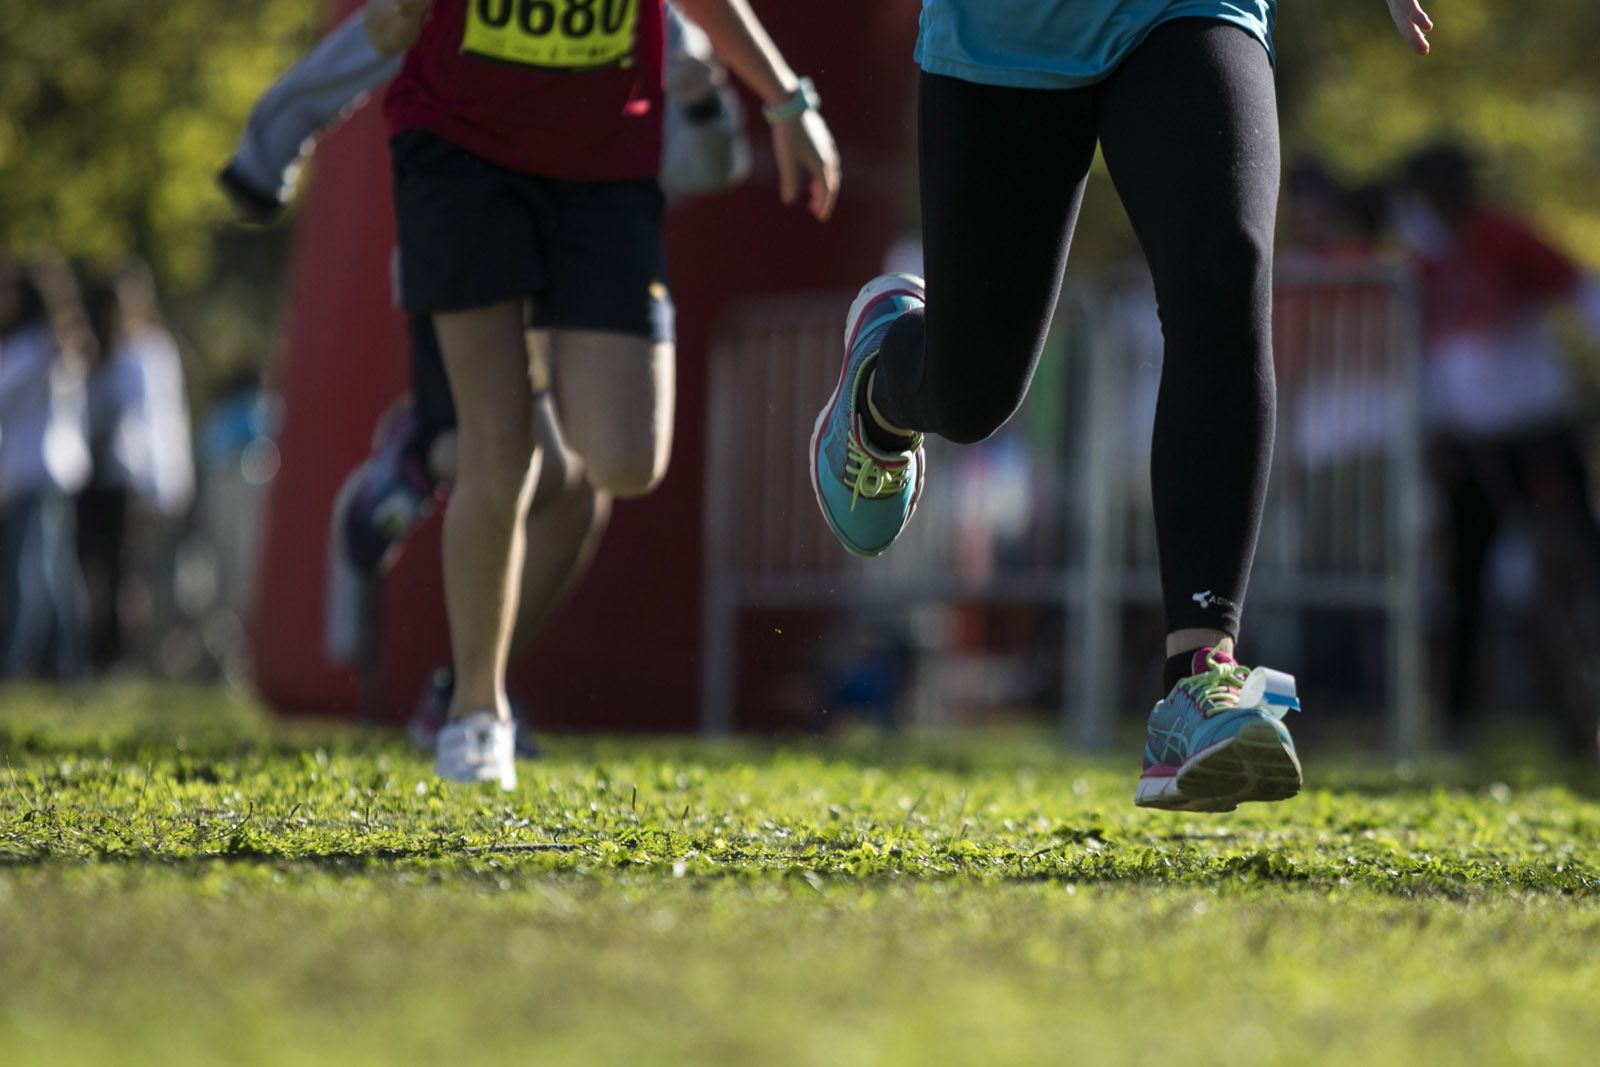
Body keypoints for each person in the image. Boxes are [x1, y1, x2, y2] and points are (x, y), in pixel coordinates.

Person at [807, 1, 1433, 811]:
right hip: (1006, 34)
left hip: (1185, 10)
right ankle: (887, 382)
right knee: (972, 394)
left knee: (1225, 266)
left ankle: (1198, 682)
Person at [220, 2, 755, 752]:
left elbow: (714, 166)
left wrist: (707, 98)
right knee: (500, 451)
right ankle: (426, 450)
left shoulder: (660, 28)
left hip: (578, 235)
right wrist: (266, 147)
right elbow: (373, 41)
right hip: (469, 218)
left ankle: (463, 687)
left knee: (578, 495)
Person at [360, 0, 837, 788]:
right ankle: (476, 715)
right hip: (461, 151)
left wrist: (788, 101)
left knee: (623, 458)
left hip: (602, 167)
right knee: (502, 448)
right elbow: (381, 31)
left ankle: (441, 441)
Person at [1395, 142, 1600, 743]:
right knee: (1465, 580)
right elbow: (1421, 359)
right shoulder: (1422, 261)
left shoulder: (1504, 238)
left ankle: (1578, 715)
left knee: (1574, 572)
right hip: (1465, 447)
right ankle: (1458, 719)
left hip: (1537, 437)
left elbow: (1582, 294)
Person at [79, 266, 196, 672]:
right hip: (100, 475)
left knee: (139, 571)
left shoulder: (149, 352)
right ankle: (106, 649)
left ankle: (140, 654)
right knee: (102, 566)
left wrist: (157, 480)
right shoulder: (100, 353)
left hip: (139, 478)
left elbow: (152, 420)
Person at [0, 260, 92, 680]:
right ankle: (68, 658)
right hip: (53, 473)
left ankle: (18, 660)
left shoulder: (32, 348)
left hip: (33, 474)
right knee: (56, 573)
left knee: (27, 572)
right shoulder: (56, 348)